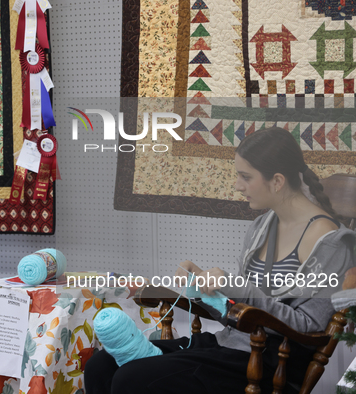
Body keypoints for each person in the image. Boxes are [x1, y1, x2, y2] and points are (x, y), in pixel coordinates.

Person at [84, 127, 356, 394]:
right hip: (229, 347)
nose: (238, 186)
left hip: (268, 364)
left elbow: (309, 329)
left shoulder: (330, 242)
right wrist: (207, 288)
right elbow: (240, 314)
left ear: (277, 181)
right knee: (101, 365)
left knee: (132, 378)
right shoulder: (263, 226)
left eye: (245, 177)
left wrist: (236, 287)